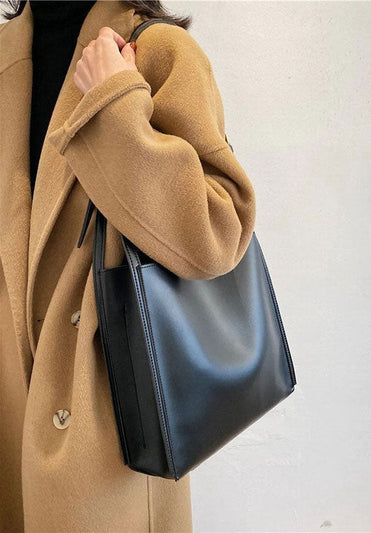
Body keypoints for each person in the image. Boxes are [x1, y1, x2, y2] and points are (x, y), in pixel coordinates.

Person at [0, 0, 256, 531]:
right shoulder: (4, 58)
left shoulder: (156, 51)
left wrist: (112, 102)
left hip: (106, 425)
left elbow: (216, 234)